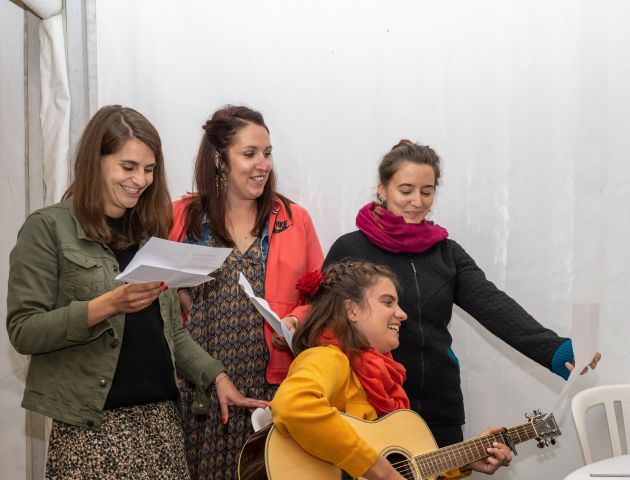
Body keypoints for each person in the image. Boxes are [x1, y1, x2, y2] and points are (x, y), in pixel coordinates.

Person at [6, 105, 267, 479]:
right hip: (92, 432)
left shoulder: (147, 234)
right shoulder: (48, 229)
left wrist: (216, 377)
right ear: (95, 161)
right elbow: (24, 330)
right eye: (128, 167)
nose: (140, 180)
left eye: (149, 169)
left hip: (161, 427)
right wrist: (105, 305)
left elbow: (172, 333)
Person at [323, 140, 602, 447]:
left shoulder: (446, 253)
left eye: (426, 191)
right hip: (369, 410)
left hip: (440, 413)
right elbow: (320, 323)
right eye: (406, 190)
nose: (417, 200)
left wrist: (555, 350)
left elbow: (493, 305)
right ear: (382, 189)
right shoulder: (349, 249)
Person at [168, 105, 324, 479]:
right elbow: (150, 290)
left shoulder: (292, 218)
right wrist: (174, 295)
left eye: (267, 154)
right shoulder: (181, 217)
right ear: (219, 160)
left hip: (269, 391)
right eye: (250, 154)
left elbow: (322, 297)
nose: (263, 164)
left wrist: (296, 320)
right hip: (197, 391)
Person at [270, 260, 512, 479]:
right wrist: (380, 471)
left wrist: (465, 461)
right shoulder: (328, 357)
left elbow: (407, 465)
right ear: (352, 310)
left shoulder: (385, 377)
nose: (402, 314)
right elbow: (293, 406)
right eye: (388, 302)